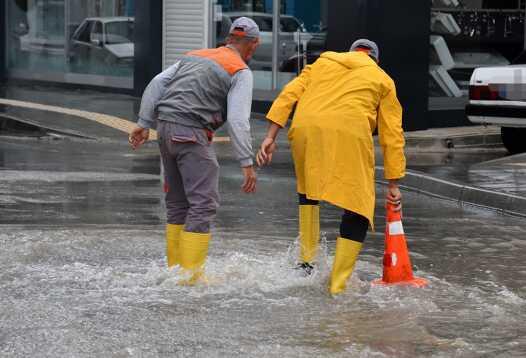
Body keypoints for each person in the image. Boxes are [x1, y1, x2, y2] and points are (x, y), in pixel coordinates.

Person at [256, 39, 405, 295]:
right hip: (349, 131)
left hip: (305, 128)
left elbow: (288, 95)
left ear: (350, 54)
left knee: (308, 190)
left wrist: (270, 136)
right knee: (358, 204)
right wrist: (393, 182)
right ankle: (338, 284)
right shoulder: (382, 79)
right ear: (375, 59)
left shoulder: (321, 63)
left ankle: (306, 264)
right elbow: (392, 133)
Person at [128, 17, 260, 285]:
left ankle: (174, 272)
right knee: (203, 203)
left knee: (177, 203)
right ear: (253, 45)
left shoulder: (195, 55)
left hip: (164, 129)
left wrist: (143, 123)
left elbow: (156, 83)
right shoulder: (240, 70)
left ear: (228, 39)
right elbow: (237, 119)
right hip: (191, 132)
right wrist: (247, 161)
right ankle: (190, 279)